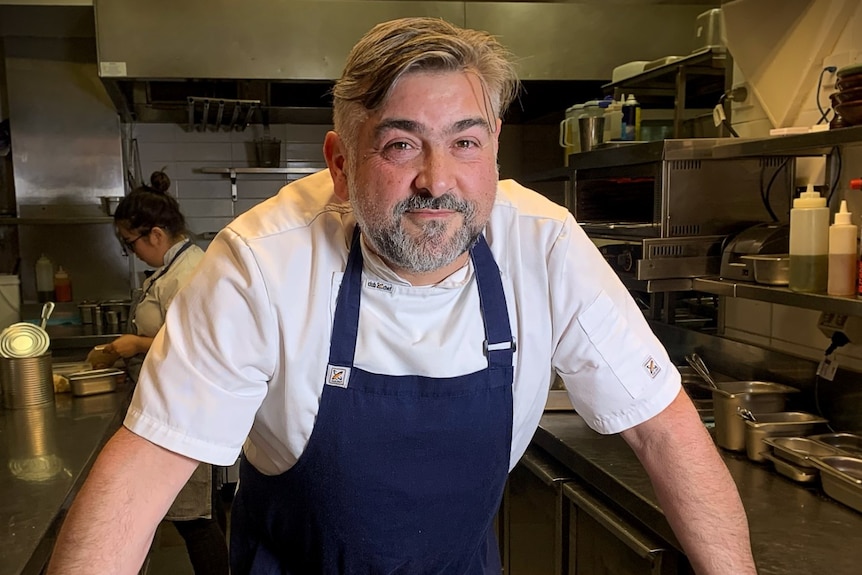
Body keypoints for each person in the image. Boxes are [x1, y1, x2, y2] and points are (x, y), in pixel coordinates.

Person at [48, 17, 757, 575]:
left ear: (496, 148)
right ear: (339, 163)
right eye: (401, 145)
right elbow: (140, 475)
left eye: (466, 143)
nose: (438, 180)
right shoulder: (259, 263)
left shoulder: (544, 245)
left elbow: (664, 430)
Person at [85, 170, 228, 575]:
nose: (132, 253)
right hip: (174, 404)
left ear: (156, 235)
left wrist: (134, 346)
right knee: (195, 515)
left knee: (193, 518)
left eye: (131, 245)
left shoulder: (188, 273)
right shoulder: (173, 269)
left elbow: (201, 345)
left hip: (186, 406)